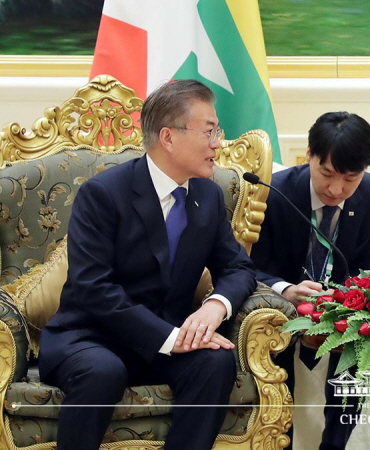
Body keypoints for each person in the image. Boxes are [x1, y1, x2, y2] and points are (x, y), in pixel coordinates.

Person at [39, 79, 257, 450]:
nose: (217, 143)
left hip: (166, 340)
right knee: (103, 371)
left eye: (216, 131)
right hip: (91, 336)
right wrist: (171, 338)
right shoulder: (104, 194)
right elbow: (94, 287)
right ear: (168, 137)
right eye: (209, 131)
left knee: (214, 362)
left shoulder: (207, 194)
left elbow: (237, 268)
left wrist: (213, 308)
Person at [249, 111, 370, 450]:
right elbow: (246, 265)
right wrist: (286, 289)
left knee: (363, 344)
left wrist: (348, 298)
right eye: (326, 173)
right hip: (282, 309)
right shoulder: (272, 192)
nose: (336, 189)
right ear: (309, 154)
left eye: (350, 178)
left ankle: (336, 444)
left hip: (343, 314)